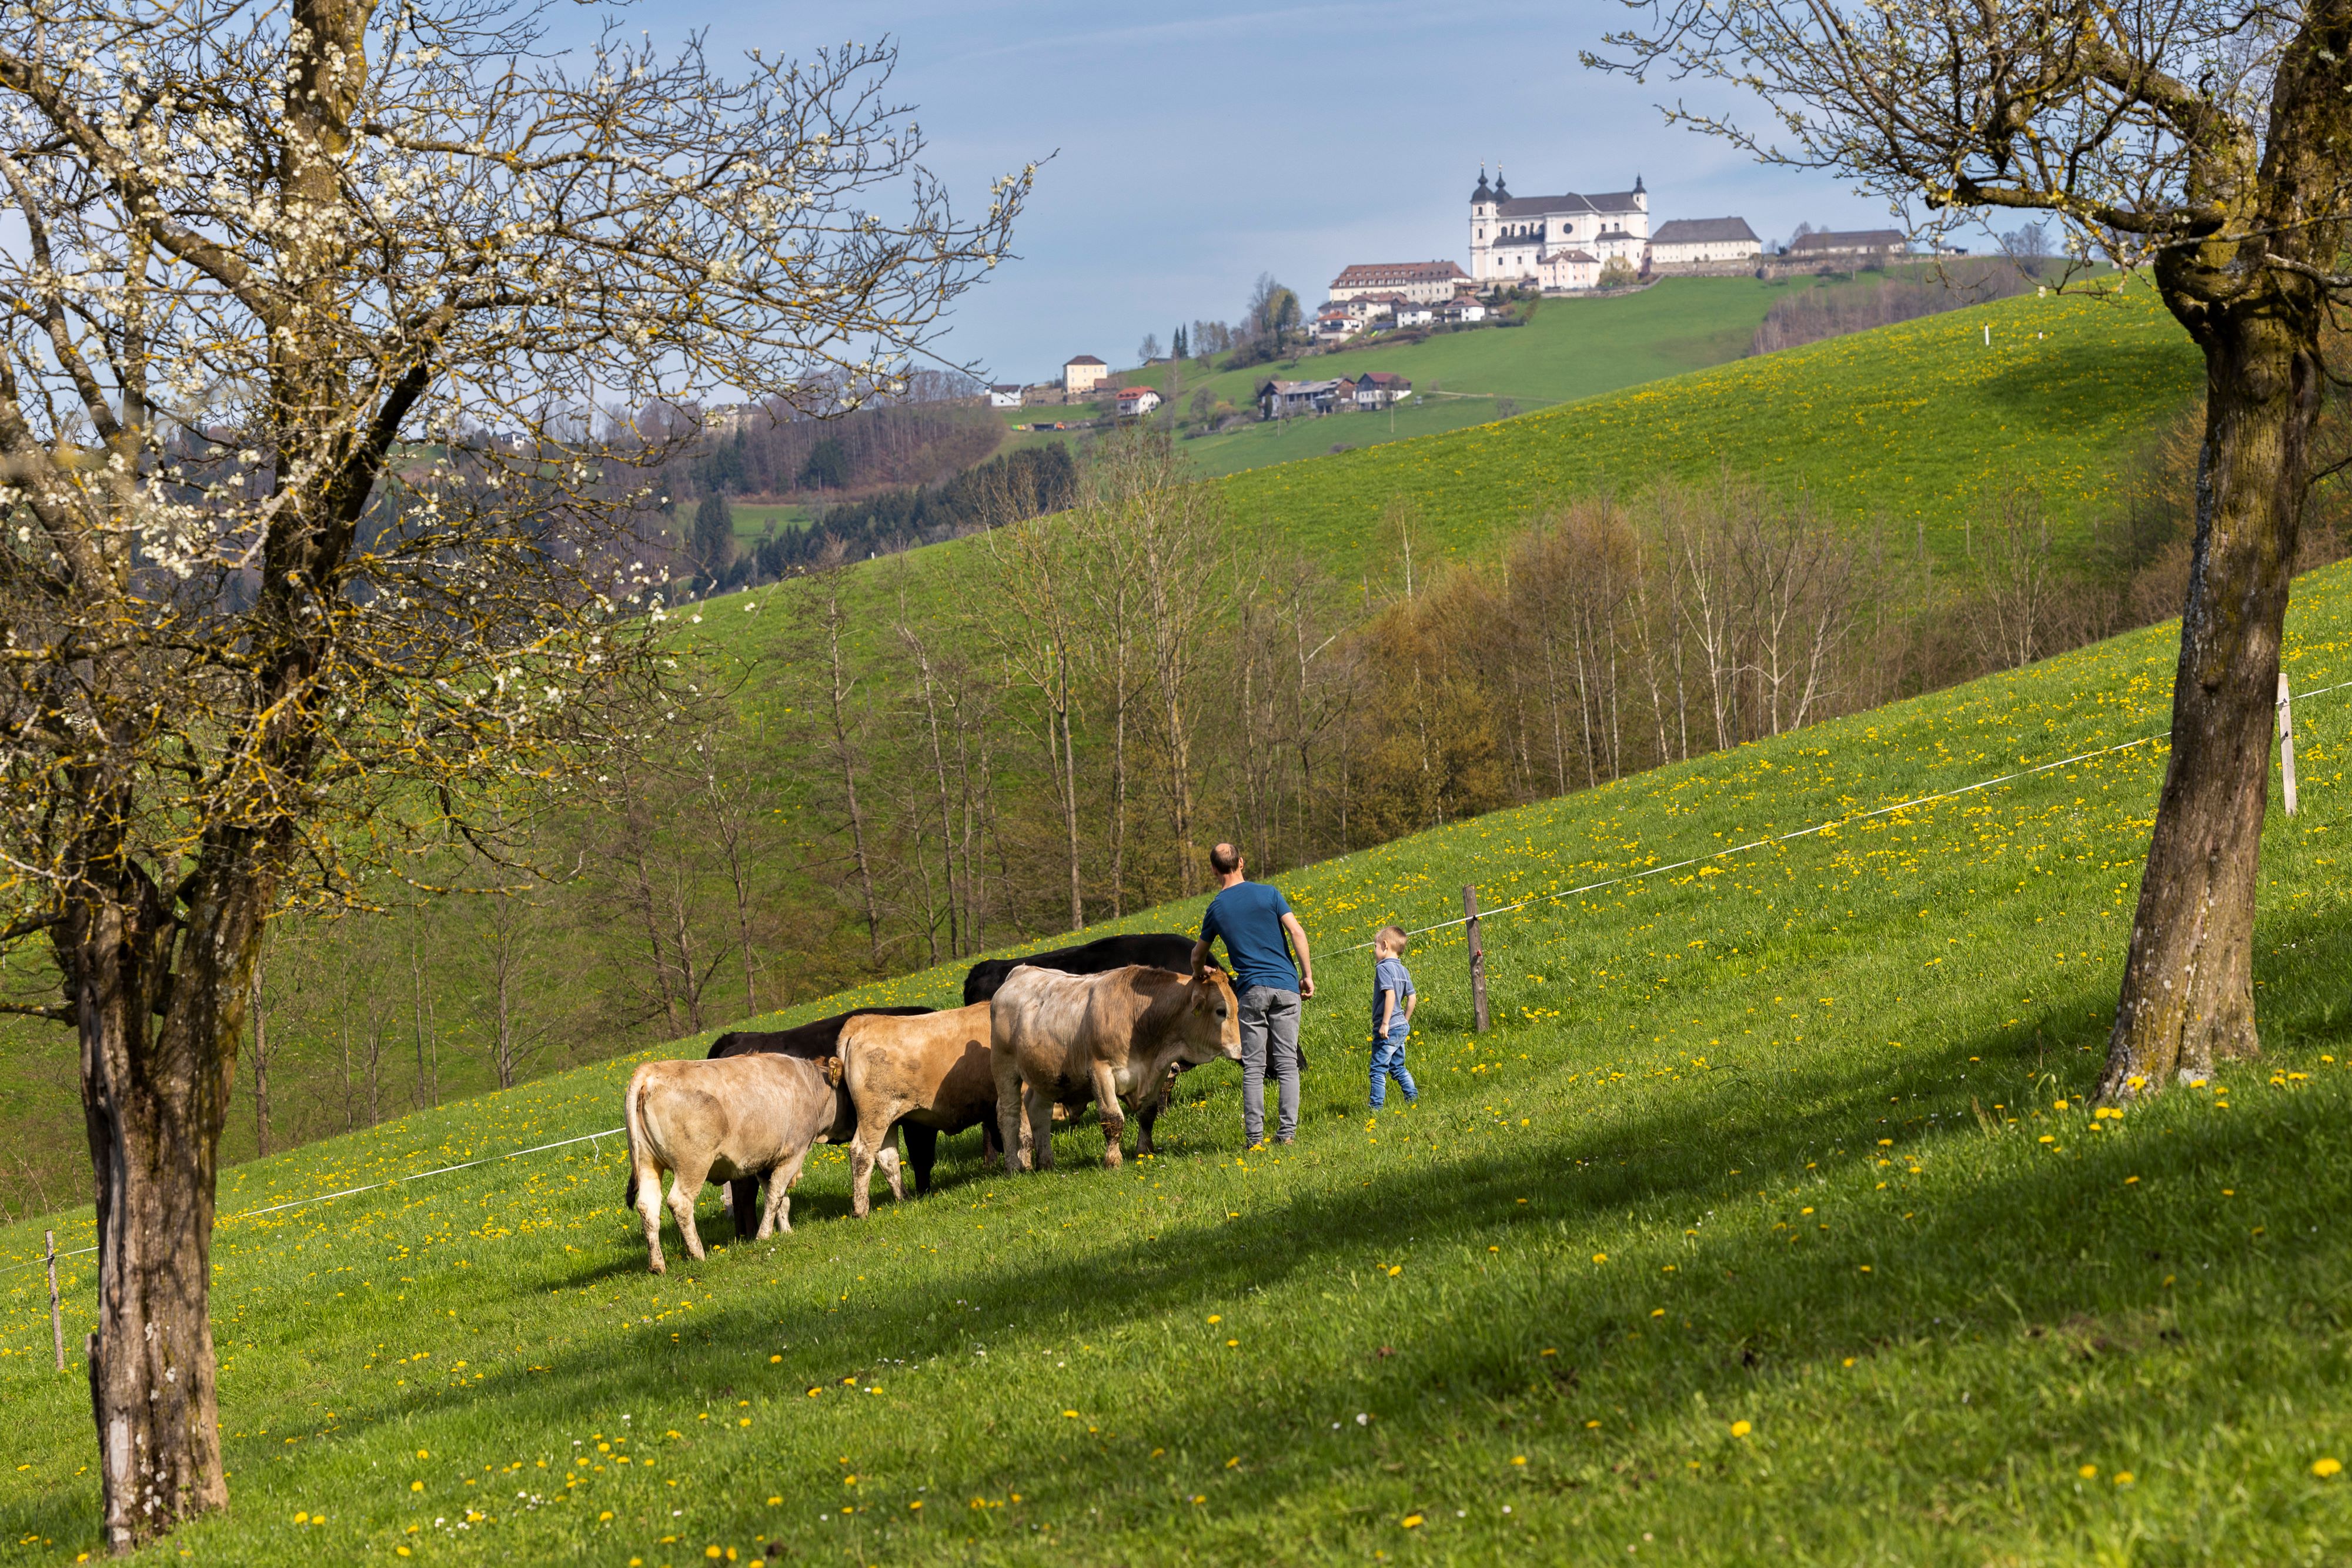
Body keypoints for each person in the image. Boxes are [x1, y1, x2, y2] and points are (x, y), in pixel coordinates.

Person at [1191, 841, 1314, 1147]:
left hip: (1252, 991)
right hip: (1286, 987)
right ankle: (1287, 1134)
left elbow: (1197, 955)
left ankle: (1255, 1139)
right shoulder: (1270, 894)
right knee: (1287, 1063)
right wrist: (1307, 976)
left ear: (1214, 870)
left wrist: (1199, 973)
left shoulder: (1216, 909)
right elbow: (1297, 932)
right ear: (1241, 862)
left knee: (1255, 1068)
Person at [1368, 924, 1418, 1109]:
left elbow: (1390, 995)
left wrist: (1385, 1023)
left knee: (1378, 1069)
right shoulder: (1403, 970)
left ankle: (1376, 1108)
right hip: (1400, 1025)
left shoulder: (1383, 968)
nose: (1374, 951)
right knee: (1397, 1067)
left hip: (1388, 1029)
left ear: (1385, 945)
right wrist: (1405, 1020)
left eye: (1375, 947)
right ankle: (1412, 1097)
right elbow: (1412, 998)